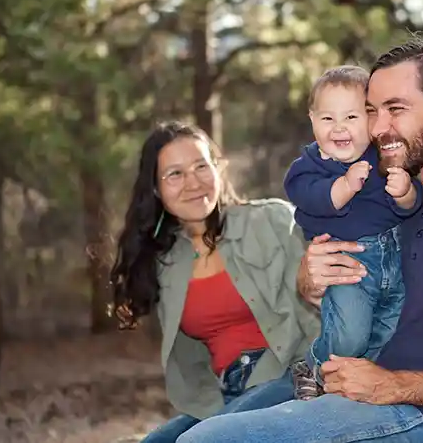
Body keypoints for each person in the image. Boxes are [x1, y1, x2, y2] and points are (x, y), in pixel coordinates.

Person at [174, 36, 423, 443]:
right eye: (371, 112)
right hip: (350, 384)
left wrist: (395, 385)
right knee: (176, 436)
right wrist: (311, 280)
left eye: (396, 110)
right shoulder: (394, 195)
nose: (378, 129)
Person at [108, 121, 321, 443]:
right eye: (175, 174)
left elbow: (327, 299)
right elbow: (190, 360)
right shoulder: (165, 263)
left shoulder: (272, 221)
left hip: (291, 376)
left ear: (218, 169)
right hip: (225, 395)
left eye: (200, 166)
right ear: (155, 189)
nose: (193, 183)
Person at [283, 65, 423, 400]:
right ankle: (314, 365)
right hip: (350, 266)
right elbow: (312, 198)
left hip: (395, 264)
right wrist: (344, 186)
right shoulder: (309, 166)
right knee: (351, 336)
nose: (339, 128)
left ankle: (348, 386)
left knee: (390, 333)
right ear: (312, 119)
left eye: (351, 117)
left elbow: (410, 208)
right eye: (327, 119)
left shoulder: (383, 158)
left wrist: (405, 192)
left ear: (371, 121)